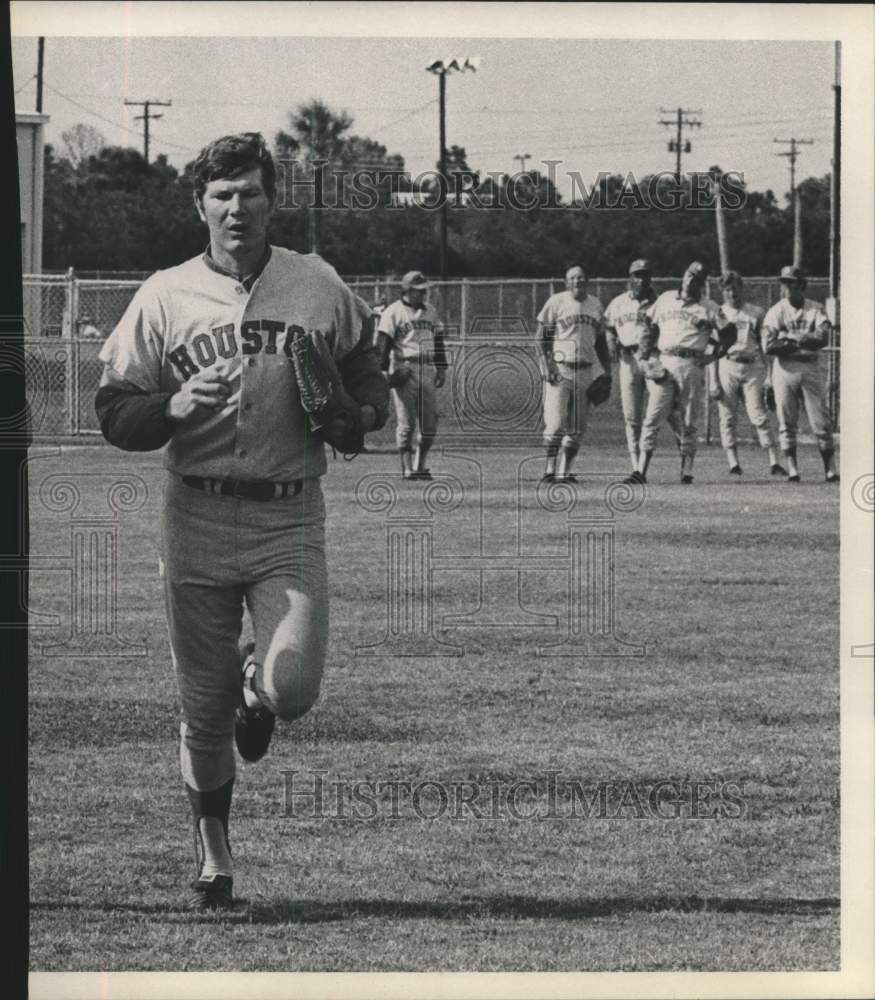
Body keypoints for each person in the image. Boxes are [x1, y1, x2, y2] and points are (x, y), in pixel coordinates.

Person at [94, 132, 389, 911]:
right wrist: (169, 406)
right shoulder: (165, 294)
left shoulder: (315, 282)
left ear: (269, 201)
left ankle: (259, 694)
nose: (236, 207)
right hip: (194, 511)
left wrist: (357, 412)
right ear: (200, 206)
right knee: (201, 700)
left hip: (289, 516)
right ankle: (214, 850)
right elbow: (113, 410)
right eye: (221, 195)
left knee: (291, 690)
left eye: (250, 192)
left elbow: (365, 369)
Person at [629, 261, 732, 484]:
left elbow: (729, 333)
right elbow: (648, 325)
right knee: (653, 416)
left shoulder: (709, 307)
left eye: (697, 278)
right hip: (664, 361)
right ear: (683, 276)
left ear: (702, 283)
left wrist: (714, 356)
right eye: (689, 275)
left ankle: (686, 471)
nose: (691, 280)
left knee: (688, 421)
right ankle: (640, 471)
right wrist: (645, 355)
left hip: (691, 364)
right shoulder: (666, 299)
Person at [536, 265, 612, 483]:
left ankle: (565, 471)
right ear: (566, 282)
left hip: (585, 370)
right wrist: (546, 364)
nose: (577, 281)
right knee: (556, 424)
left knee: (577, 427)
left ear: (587, 281)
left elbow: (601, 345)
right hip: (560, 369)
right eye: (573, 278)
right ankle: (549, 470)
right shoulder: (557, 301)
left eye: (581, 277)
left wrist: (607, 372)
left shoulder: (595, 304)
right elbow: (541, 337)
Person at [762, 265, 838, 483]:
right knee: (786, 421)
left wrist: (790, 337)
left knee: (820, 421)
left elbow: (822, 338)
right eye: (784, 282)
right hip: (785, 368)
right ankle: (793, 469)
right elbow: (769, 346)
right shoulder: (776, 310)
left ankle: (830, 469)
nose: (786, 286)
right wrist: (803, 338)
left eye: (791, 281)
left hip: (810, 367)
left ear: (801, 284)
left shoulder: (815, 308)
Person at [708, 270, 786, 478]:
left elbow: (765, 346)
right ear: (723, 291)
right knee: (727, 416)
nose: (732, 292)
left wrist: (769, 375)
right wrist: (713, 380)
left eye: (735, 287)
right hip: (728, 364)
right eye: (727, 288)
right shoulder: (719, 313)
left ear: (742, 288)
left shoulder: (756, 312)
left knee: (758, 414)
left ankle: (774, 461)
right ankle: (733, 463)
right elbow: (713, 349)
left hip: (752, 365)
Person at [376, 270, 448, 480]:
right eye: (417, 290)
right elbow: (383, 343)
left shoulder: (431, 311)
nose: (422, 294)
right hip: (404, 367)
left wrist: (441, 367)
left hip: (426, 368)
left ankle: (420, 465)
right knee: (406, 422)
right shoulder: (393, 311)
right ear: (406, 290)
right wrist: (383, 373)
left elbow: (438, 341)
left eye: (423, 290)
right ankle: (407, 469)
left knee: (430, 424)